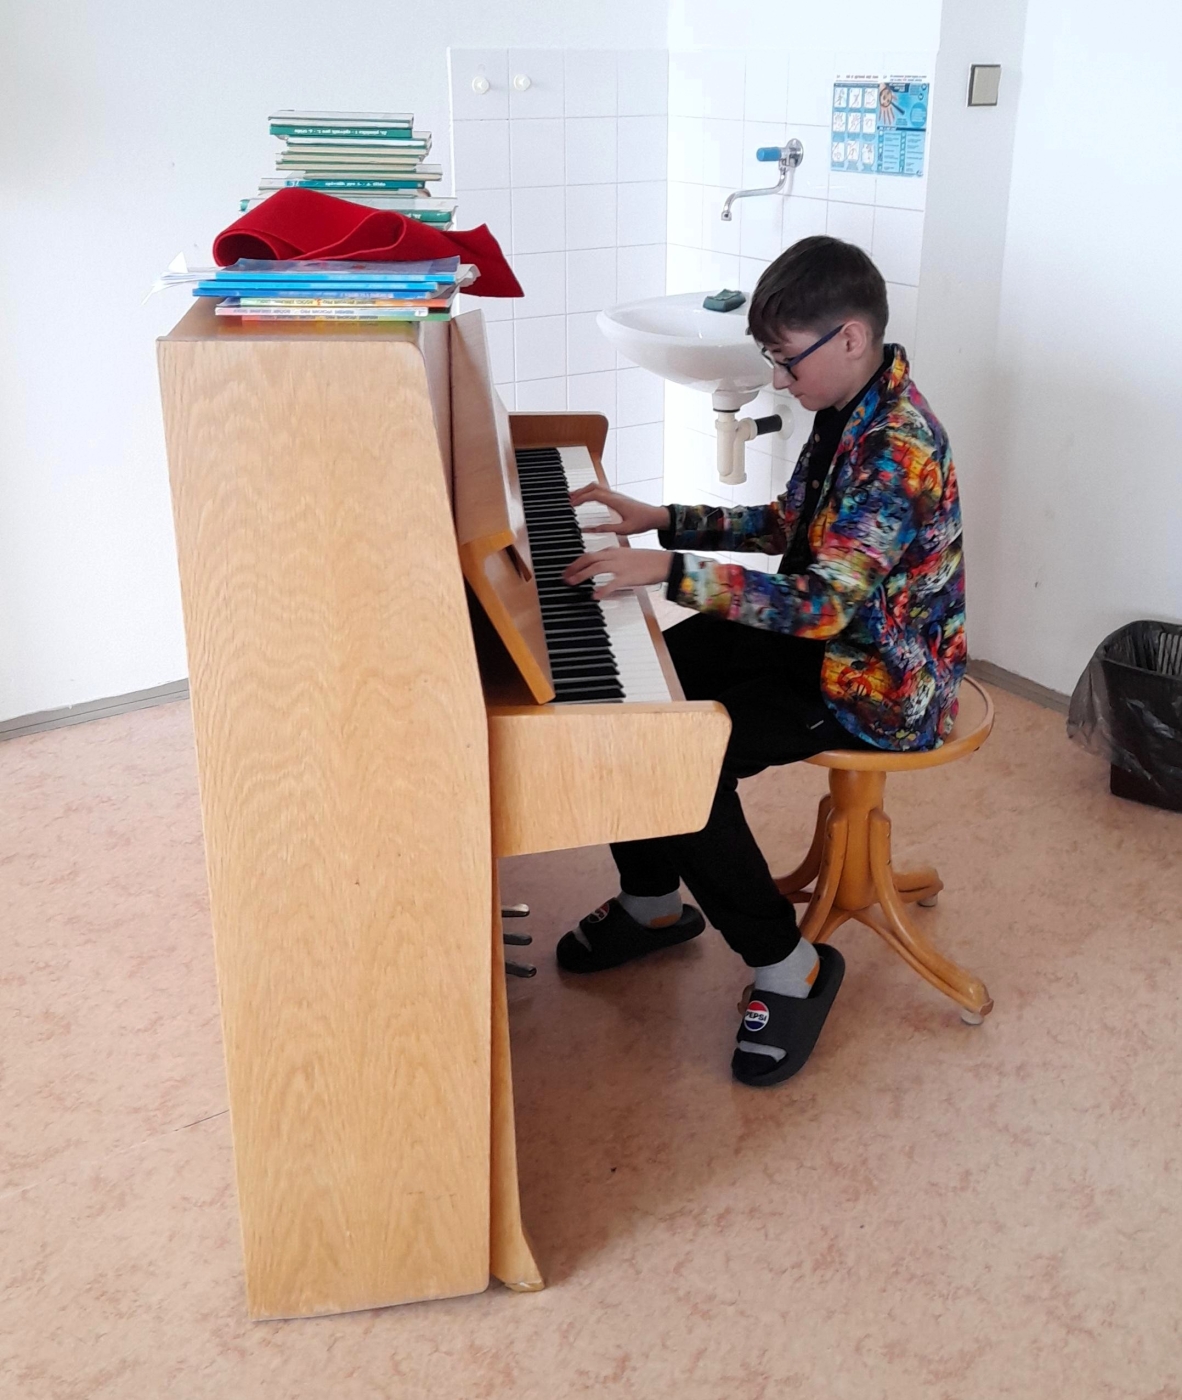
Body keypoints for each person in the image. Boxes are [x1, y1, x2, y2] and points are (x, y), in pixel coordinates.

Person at [558, 235, 967, 1087]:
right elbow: (789, 524)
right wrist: (659, 517)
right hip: (818, 642)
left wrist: (668, 570)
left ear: (849, 337)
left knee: (683, 759)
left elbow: (823, 605)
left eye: (786, 361)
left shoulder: (899, 445)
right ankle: (653, 902)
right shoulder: (849, 405)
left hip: (876, 683)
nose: (779, 381)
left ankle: (791, 968)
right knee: (642, 697)